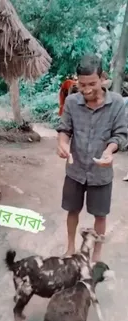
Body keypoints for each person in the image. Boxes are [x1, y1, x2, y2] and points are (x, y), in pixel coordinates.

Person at [57, 54, 127, 262]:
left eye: (92, 84)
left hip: (101, 172)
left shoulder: (116, 104)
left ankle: (95, 256)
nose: (86, 89)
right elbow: (64, 129)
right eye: (82, 84)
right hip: (75, 169)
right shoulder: (71, 102)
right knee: (72, 210)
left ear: (103, 78)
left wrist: (110, 151)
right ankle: (70, 248)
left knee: (100, 215)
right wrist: (62, 143)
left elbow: (121, 135)